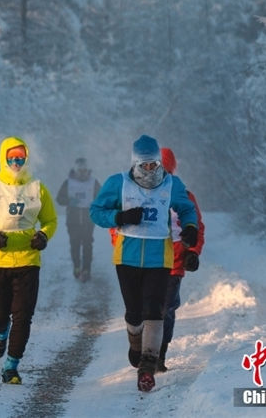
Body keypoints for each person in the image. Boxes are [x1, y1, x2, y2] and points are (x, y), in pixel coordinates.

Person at [89, 134, 198, 393]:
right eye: (145, 165)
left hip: (160, 257)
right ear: (135, 163)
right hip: (126, 256)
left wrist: (190, 227)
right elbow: (96, 211)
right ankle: (135, 343)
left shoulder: (171, 184)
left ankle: (148, 367)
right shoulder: (119, 183)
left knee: (154, 310)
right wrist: (120, 216)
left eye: (154, 164)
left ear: (160, 163)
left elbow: (186, 208)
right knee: (134, 313)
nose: (150, 170)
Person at [0, 136, 58, 385]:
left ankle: (11, 366)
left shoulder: (37, 187)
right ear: (3, 158)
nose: (15, 161)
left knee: (23, 316)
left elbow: (50, 220)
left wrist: (43, 236)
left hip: (28, 261)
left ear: (26, 158)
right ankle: (1, 334)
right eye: (11, 157)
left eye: (20, 157)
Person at [158, 147, 205, 373]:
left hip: (175, 261)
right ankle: (142, 345)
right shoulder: (139, 195)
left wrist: (193, 251)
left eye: (166, 173)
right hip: (146, 260)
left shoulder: (185, 197)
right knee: (143, 308)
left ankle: (158, 354)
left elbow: (197, 226)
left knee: (166, 308)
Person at [56, 157, 100, 282]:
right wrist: (69, 201)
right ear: (75, 171)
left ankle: (86, 269)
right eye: (79, 170)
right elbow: (59, 199)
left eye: (84, 170)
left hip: (88, 219)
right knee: (74, 244)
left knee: (87, 244)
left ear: (87, 170)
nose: (82, 173)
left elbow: (102, 196)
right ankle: (76, 266)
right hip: (73, 219)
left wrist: (96, 204)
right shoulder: (68, 182)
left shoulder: (93, 182)